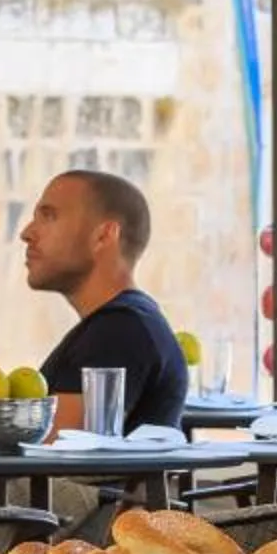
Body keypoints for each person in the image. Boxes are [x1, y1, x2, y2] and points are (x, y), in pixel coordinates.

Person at [22, 169, 189, 433]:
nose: (27, 233)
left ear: (104, 236)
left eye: (49, 216)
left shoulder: (121, 329)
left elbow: (56, 454)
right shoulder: (122, 323)